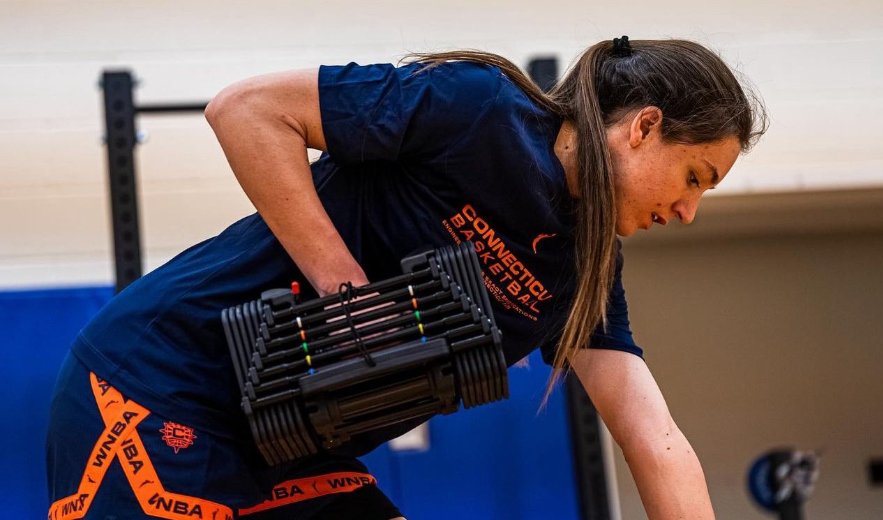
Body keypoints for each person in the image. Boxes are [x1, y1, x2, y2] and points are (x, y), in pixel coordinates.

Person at [47, 36, 765, 519]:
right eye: (693, 176)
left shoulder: (583, 270)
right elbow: (245, 111)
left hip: (288, 449)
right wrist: (345, 290)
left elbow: (655, 438)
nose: (688, 210)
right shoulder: (480, 109)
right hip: (157, 381)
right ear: (642, 127)